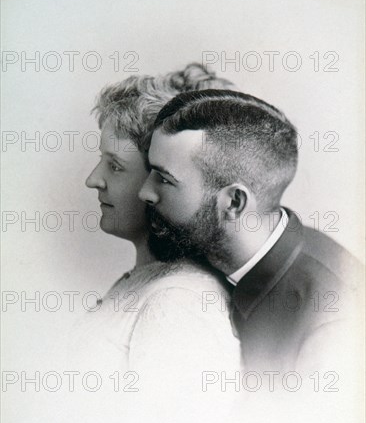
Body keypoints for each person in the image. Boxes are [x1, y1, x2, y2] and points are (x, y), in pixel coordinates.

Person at [139, 89, 362, 372]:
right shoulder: (211, 248)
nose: (144, 192)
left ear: (234, 202)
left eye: (164, 179)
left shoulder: (332, 327)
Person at [71, 66, 241, 423]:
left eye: (115, 166)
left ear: (164, 181)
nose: (93, 180)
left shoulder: (178, 302)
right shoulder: (147, 282)